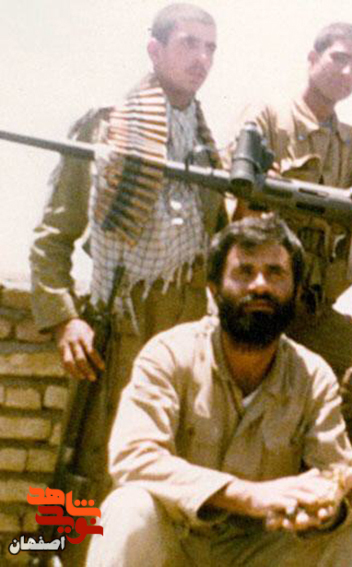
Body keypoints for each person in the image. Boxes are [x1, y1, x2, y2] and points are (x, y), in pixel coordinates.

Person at [28, 0, 225, 537]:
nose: (202, 59)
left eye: (210, 48)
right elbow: (53, 235)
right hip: (120, 323)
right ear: (155, 50)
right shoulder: (108, 127)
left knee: (170, 469)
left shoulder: (209, 145)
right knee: (93, 466)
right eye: (189, 44)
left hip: (187, 328)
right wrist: (64, 320)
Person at [85, 215, 352, 567]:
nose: (260, 286)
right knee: (128, 509)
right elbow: (134, 459)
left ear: (297, 292)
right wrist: (247, 495)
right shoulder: (169, 354)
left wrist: (326, 508)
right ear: (214, 289)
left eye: (275, 273)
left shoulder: (312, 376)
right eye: (245, 272)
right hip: (178, 541)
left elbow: (340, 479)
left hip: (262, 551)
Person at [230, 22, 352, 378]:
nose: (347, 72)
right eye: (339, 58)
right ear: (312, 58)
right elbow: (234, 196)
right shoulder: (267, 117)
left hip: (313, 304)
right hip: (257, 286)